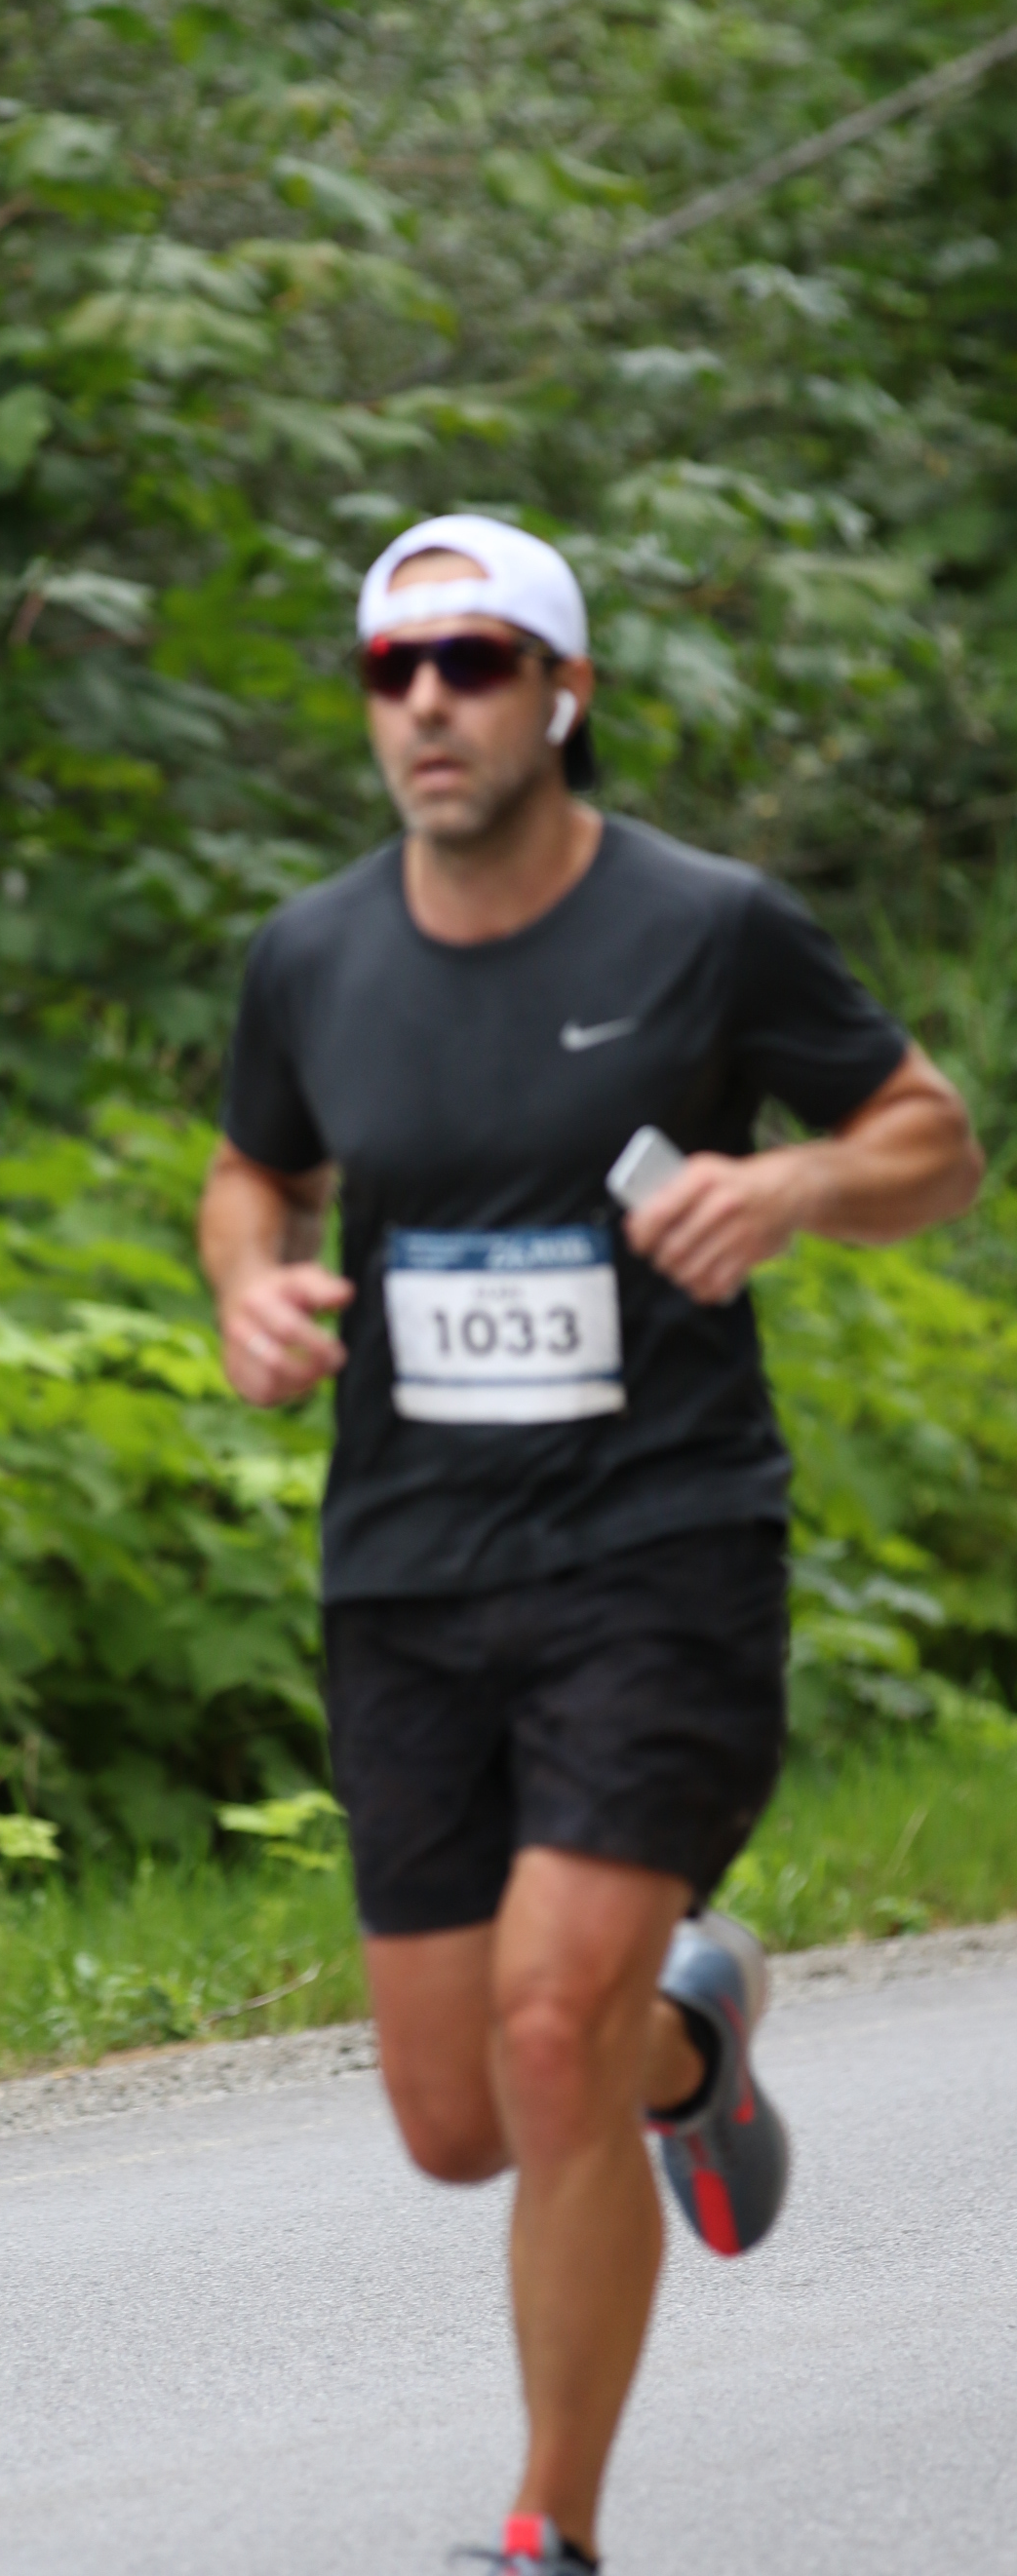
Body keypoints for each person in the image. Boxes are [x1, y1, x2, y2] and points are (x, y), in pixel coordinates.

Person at [197, 514, 983, 2574]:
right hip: (408, 1569)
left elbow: (933, 1141)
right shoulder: (314, 955)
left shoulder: (708, 927)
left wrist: (794, 1188)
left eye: (472, 663)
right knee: (459, 2118)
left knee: (548, 2033)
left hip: (659, 1549)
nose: (427, 704)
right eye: (391, 672)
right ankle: (689, 2037)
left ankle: (551, 2532)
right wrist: (250, 1286)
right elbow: (253, 1170)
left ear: (565, 693)